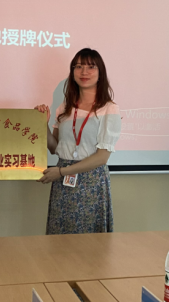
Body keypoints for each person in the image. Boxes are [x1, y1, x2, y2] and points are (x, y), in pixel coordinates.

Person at [35, 48, 121, 234]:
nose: (84, 72)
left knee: (88, 243)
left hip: (91, 181)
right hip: (62, 180)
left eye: (91, 67)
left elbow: (102, 157)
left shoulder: (109, 109)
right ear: (72, 72)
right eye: (79, 66)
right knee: (59, 238)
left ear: (100, 73)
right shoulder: (65, 107)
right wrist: (42, 124)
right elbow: (55, 148)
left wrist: (61, 171)